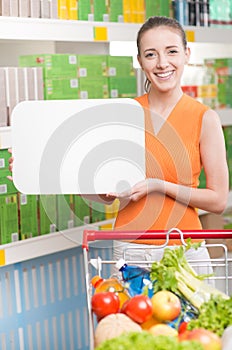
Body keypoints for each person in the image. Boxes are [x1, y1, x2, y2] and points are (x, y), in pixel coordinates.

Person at [105, 16, 229, 277]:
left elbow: (218, 200)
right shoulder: (124, 114)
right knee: (127, 319)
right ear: (140, 61)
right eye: (151, 54)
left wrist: (160, 186)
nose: (162, 63)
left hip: (184, 251)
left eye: (171, 51)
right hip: (130, 251)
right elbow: (104, 193)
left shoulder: (204, 118)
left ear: (186, 54)